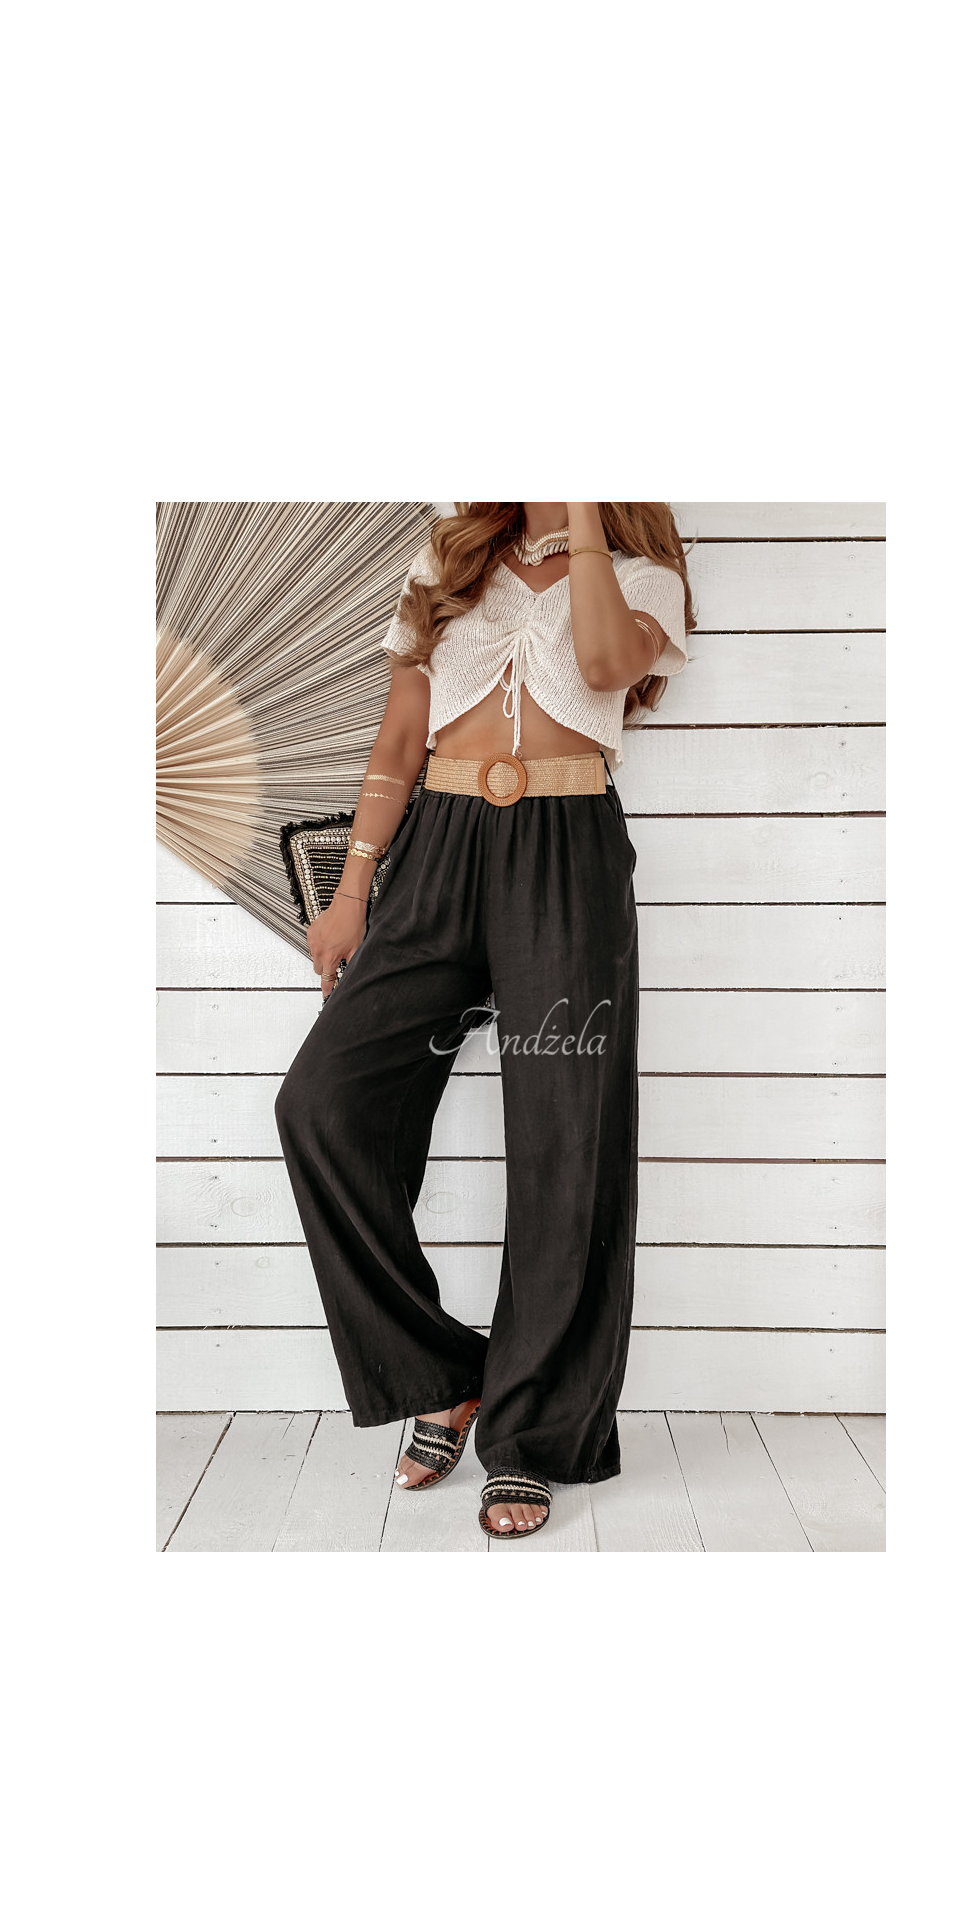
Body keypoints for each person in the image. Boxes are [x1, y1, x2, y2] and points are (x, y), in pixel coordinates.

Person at [274, 503, 694, 1540]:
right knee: (323, 1103)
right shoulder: (452, 558)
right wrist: (351, 891)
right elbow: (400, 736)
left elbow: (603, 665)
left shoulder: (642, 577)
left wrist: (584, 515)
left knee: (567, 1139)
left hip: (568, 848)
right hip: (440, 848)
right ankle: (443, 1373)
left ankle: (533, 1438)